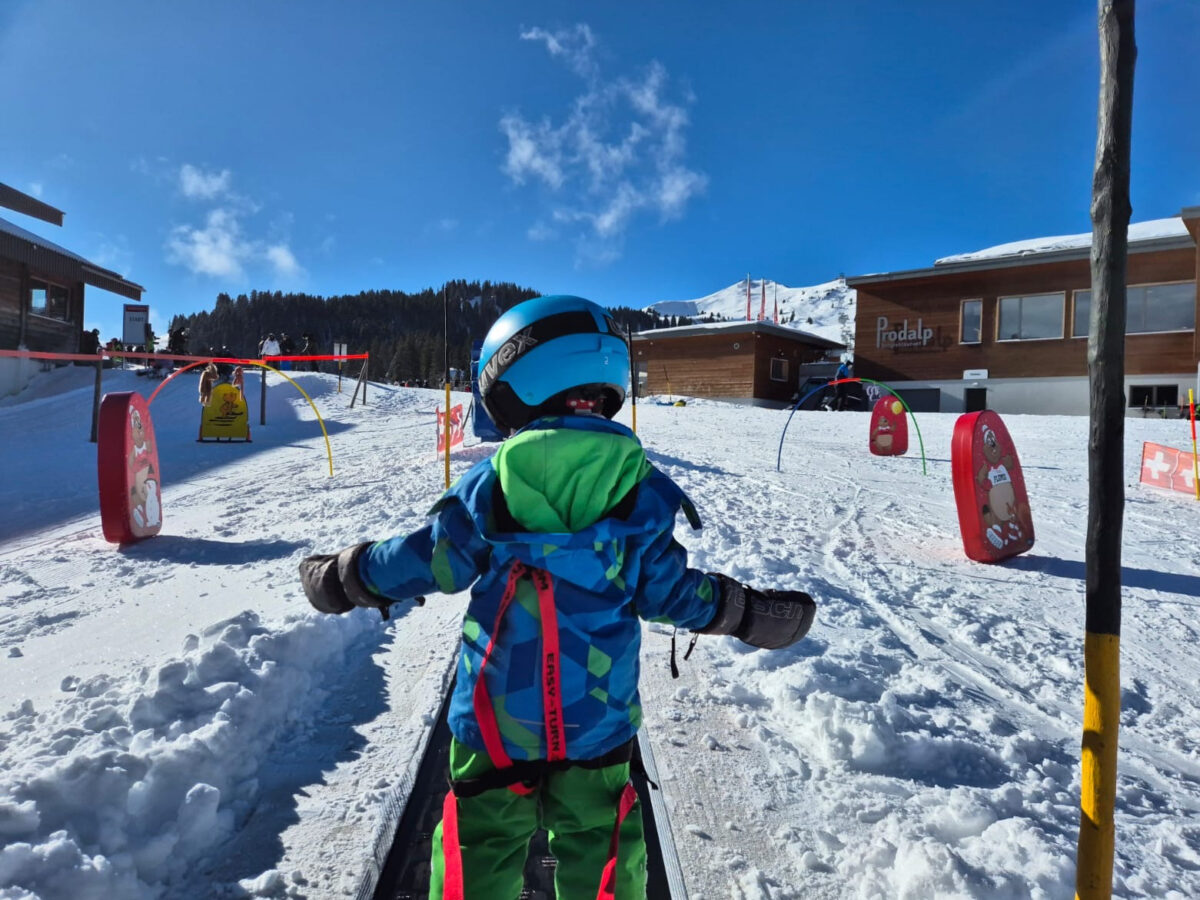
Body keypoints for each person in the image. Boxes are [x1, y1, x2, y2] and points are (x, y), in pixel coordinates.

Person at [298, 295, 816, 900]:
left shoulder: (492, 484)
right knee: (602, 844)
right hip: (597, 721)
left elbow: (431, 560)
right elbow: (670, 592)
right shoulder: (639, 487)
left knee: (479, 843)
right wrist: (745, 611)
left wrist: (347, 575)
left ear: (510, 381)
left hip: (495, 721)